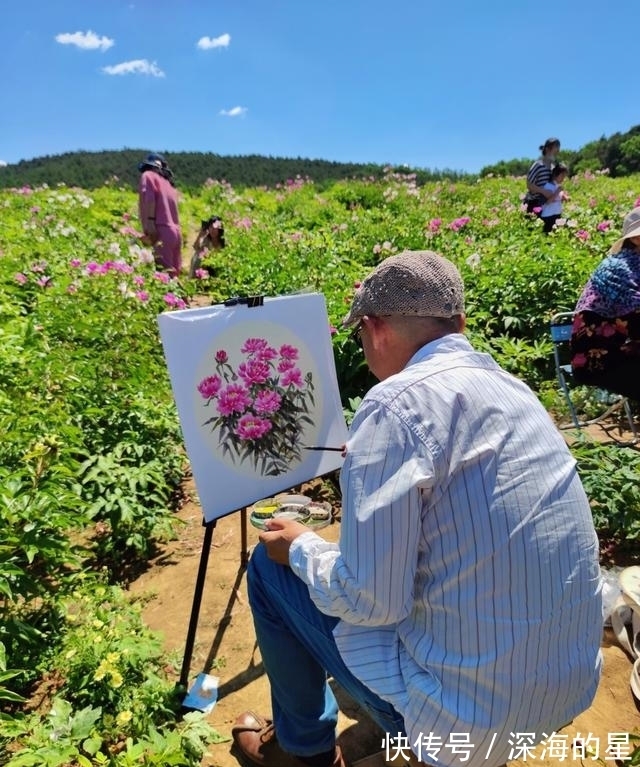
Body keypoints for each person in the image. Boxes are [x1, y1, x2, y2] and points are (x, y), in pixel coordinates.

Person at [232, 250, 602, 767]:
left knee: (269, 572)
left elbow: (371, 602)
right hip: (564, 688)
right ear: (460, 324)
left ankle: (305, 750)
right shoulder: (512, 390)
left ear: (376, 328)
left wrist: (300, 548)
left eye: (360, 336)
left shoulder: (392, 406)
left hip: (465, 725)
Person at [570, 207, 640, 400]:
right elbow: (635, 322)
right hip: (598, 360)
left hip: (626, 353)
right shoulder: (618, 268)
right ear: (636, 239)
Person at [138, 152, 182, 276]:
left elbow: (150, 199)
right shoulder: (169, 184)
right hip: (175, 232)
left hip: (160, 229)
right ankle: (183, 295)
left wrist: (150, 222)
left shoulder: (148, 176)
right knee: (174, 274)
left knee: (163, 275)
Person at [523, 137, 561, 215]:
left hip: (547, 206)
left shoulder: (553, 167)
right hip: (534, 203)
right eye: (556, 147)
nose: (558, 150)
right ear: (547, 149)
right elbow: (529, 185)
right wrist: (544, 192)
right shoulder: (538, 165)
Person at [539, 162, 569, 233]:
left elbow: (557, 199)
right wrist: (557, 192)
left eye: (564, 176)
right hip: (548, 217)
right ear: (555, 174)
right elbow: (547, 201)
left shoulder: (556, 186)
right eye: (562, 176)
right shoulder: (547, 186)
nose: (563, 179)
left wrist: (564, 198)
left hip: (557, 215)